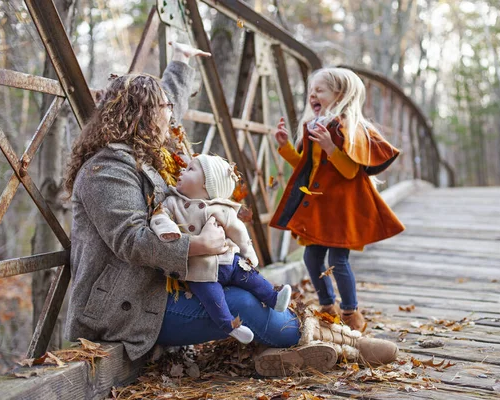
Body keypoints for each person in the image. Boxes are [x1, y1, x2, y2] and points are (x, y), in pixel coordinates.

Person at [62, 43, 398, 377]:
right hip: (126, 306)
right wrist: (200, 246)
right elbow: (131, 240)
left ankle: (308, 344)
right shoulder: (106, 170)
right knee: (242, 304)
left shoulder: (145, 152)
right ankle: (350, 346)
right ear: (142, 116)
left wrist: (180, 61)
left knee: (244, 292)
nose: (170, 114)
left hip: (162, 287)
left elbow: (173, 103)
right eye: (162, 108)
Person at [270, 67, 405, 332]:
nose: (313, 95)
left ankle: (350, 312)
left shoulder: (349, 128)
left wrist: (331, 147)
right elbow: (308, 167)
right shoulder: (316, 126)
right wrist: (286, 146)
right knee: (311, 258)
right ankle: (327, 306)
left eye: (319, 90)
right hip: (320, 206)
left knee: (338, 260)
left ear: (339, 94)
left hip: (342, 208)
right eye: (311, 91)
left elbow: (350, 170)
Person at [149, 153, 292, 344]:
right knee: (213, 300)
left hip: (228, 261)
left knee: (250, 276)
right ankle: (230, 326)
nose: (182, 171)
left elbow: (238, 230)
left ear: (207, 184)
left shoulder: (220, 207)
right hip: (199, 271)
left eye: (190, 169)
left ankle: (273, 297)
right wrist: (168, 231)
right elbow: (160, 216)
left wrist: (248, 253)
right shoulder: (173, 202)